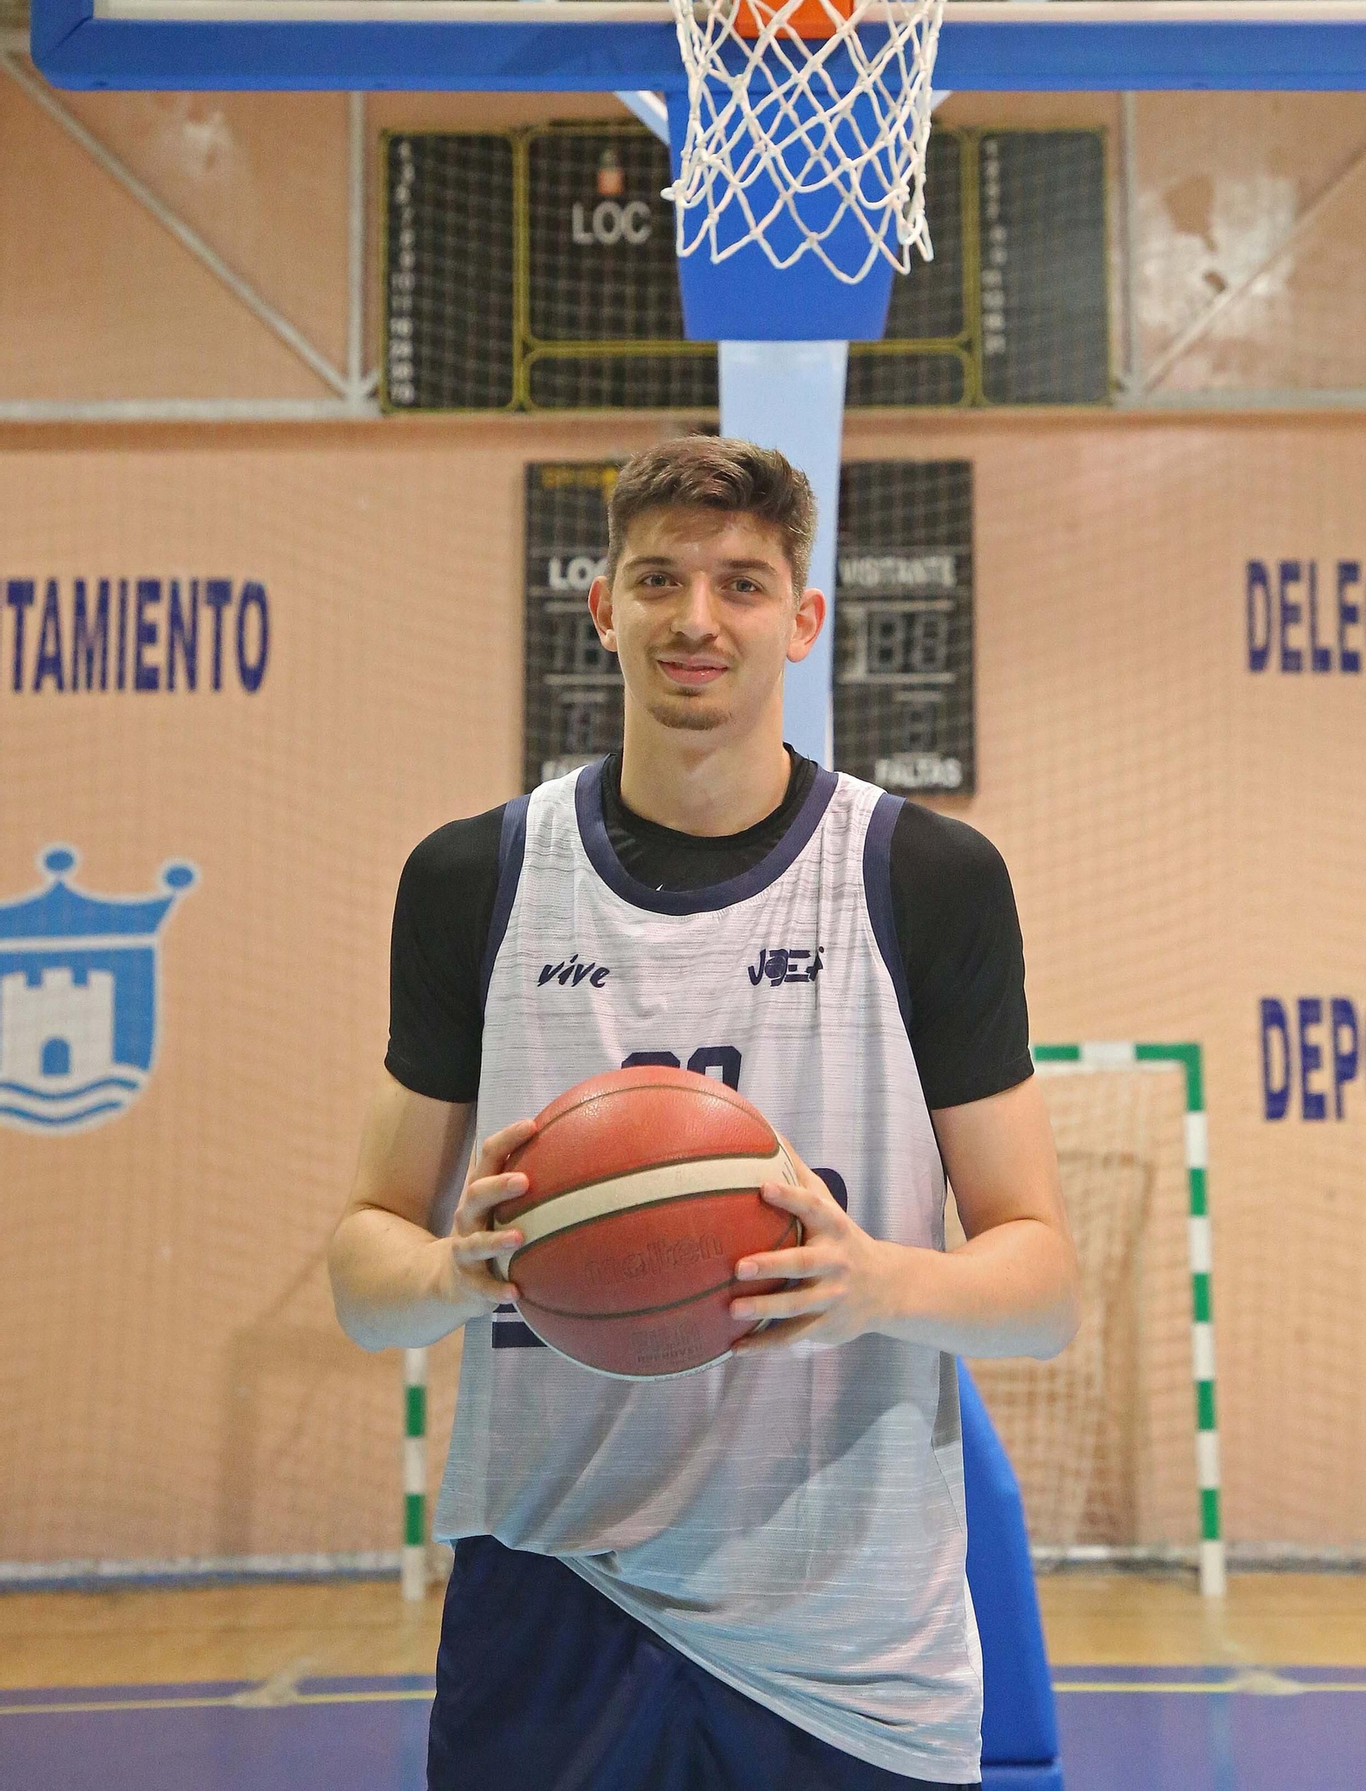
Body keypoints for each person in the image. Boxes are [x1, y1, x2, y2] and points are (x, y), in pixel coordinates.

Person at [328, 436, 1079, 1791]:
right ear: (601, 606)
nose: (695, 616)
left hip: (852, 1627)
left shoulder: (926, 877)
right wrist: (452, 1266)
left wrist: (877, 1280)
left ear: (803, 619)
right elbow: (365, 1273)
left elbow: (1042, 1286)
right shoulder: (473, 879)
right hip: (554, 1595)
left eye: (741, 583)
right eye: (658, 577)